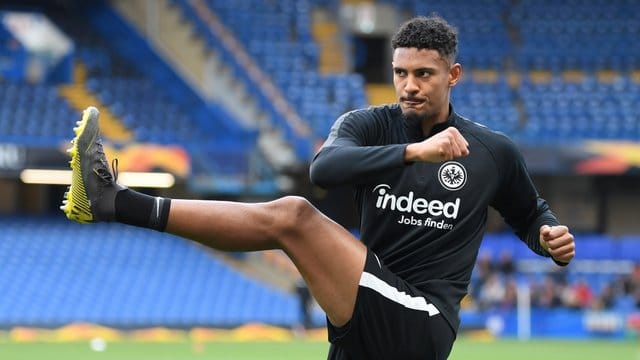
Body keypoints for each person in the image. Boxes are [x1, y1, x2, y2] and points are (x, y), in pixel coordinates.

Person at [61, 15, 575, 360]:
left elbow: (530, 214)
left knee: (293, 217)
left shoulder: (493, 151)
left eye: (424, 73)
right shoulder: (369, 124)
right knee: (296, 209)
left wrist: (548, 233)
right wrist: (414, 152)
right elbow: (324, 169)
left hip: (422, 320)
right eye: (400, 73)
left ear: (453, 75)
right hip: (360, 313)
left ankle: (113, 203)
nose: (410, 85)